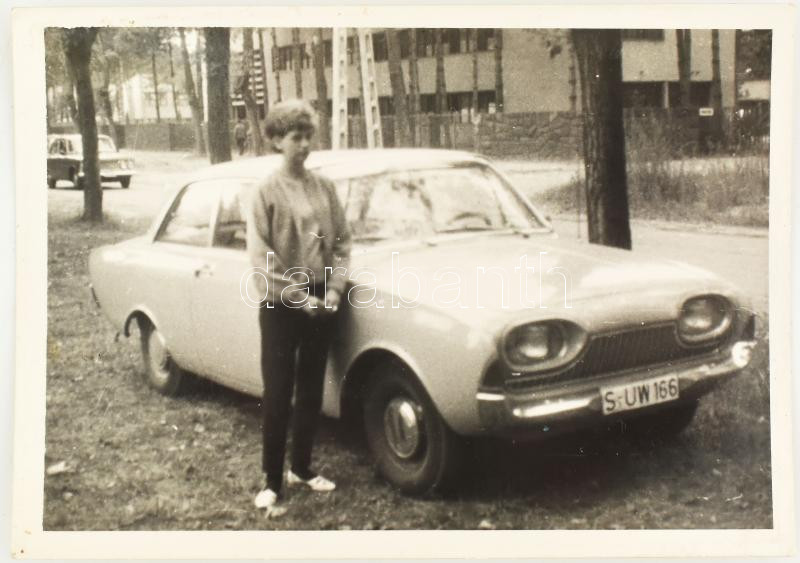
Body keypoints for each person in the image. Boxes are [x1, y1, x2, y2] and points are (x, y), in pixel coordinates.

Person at [245, 99, 351, 516]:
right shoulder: (265, 191)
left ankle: (301, 468)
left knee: (311, 388)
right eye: (295, 137)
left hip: (322, 299)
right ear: (276, 141)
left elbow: (341, 243)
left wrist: (334, 290)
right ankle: (272, 481)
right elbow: (261, 256)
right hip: (281, 304)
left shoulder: (324, 187)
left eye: (308, 137)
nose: (304, 145)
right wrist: (298, 297)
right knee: (278, 392)